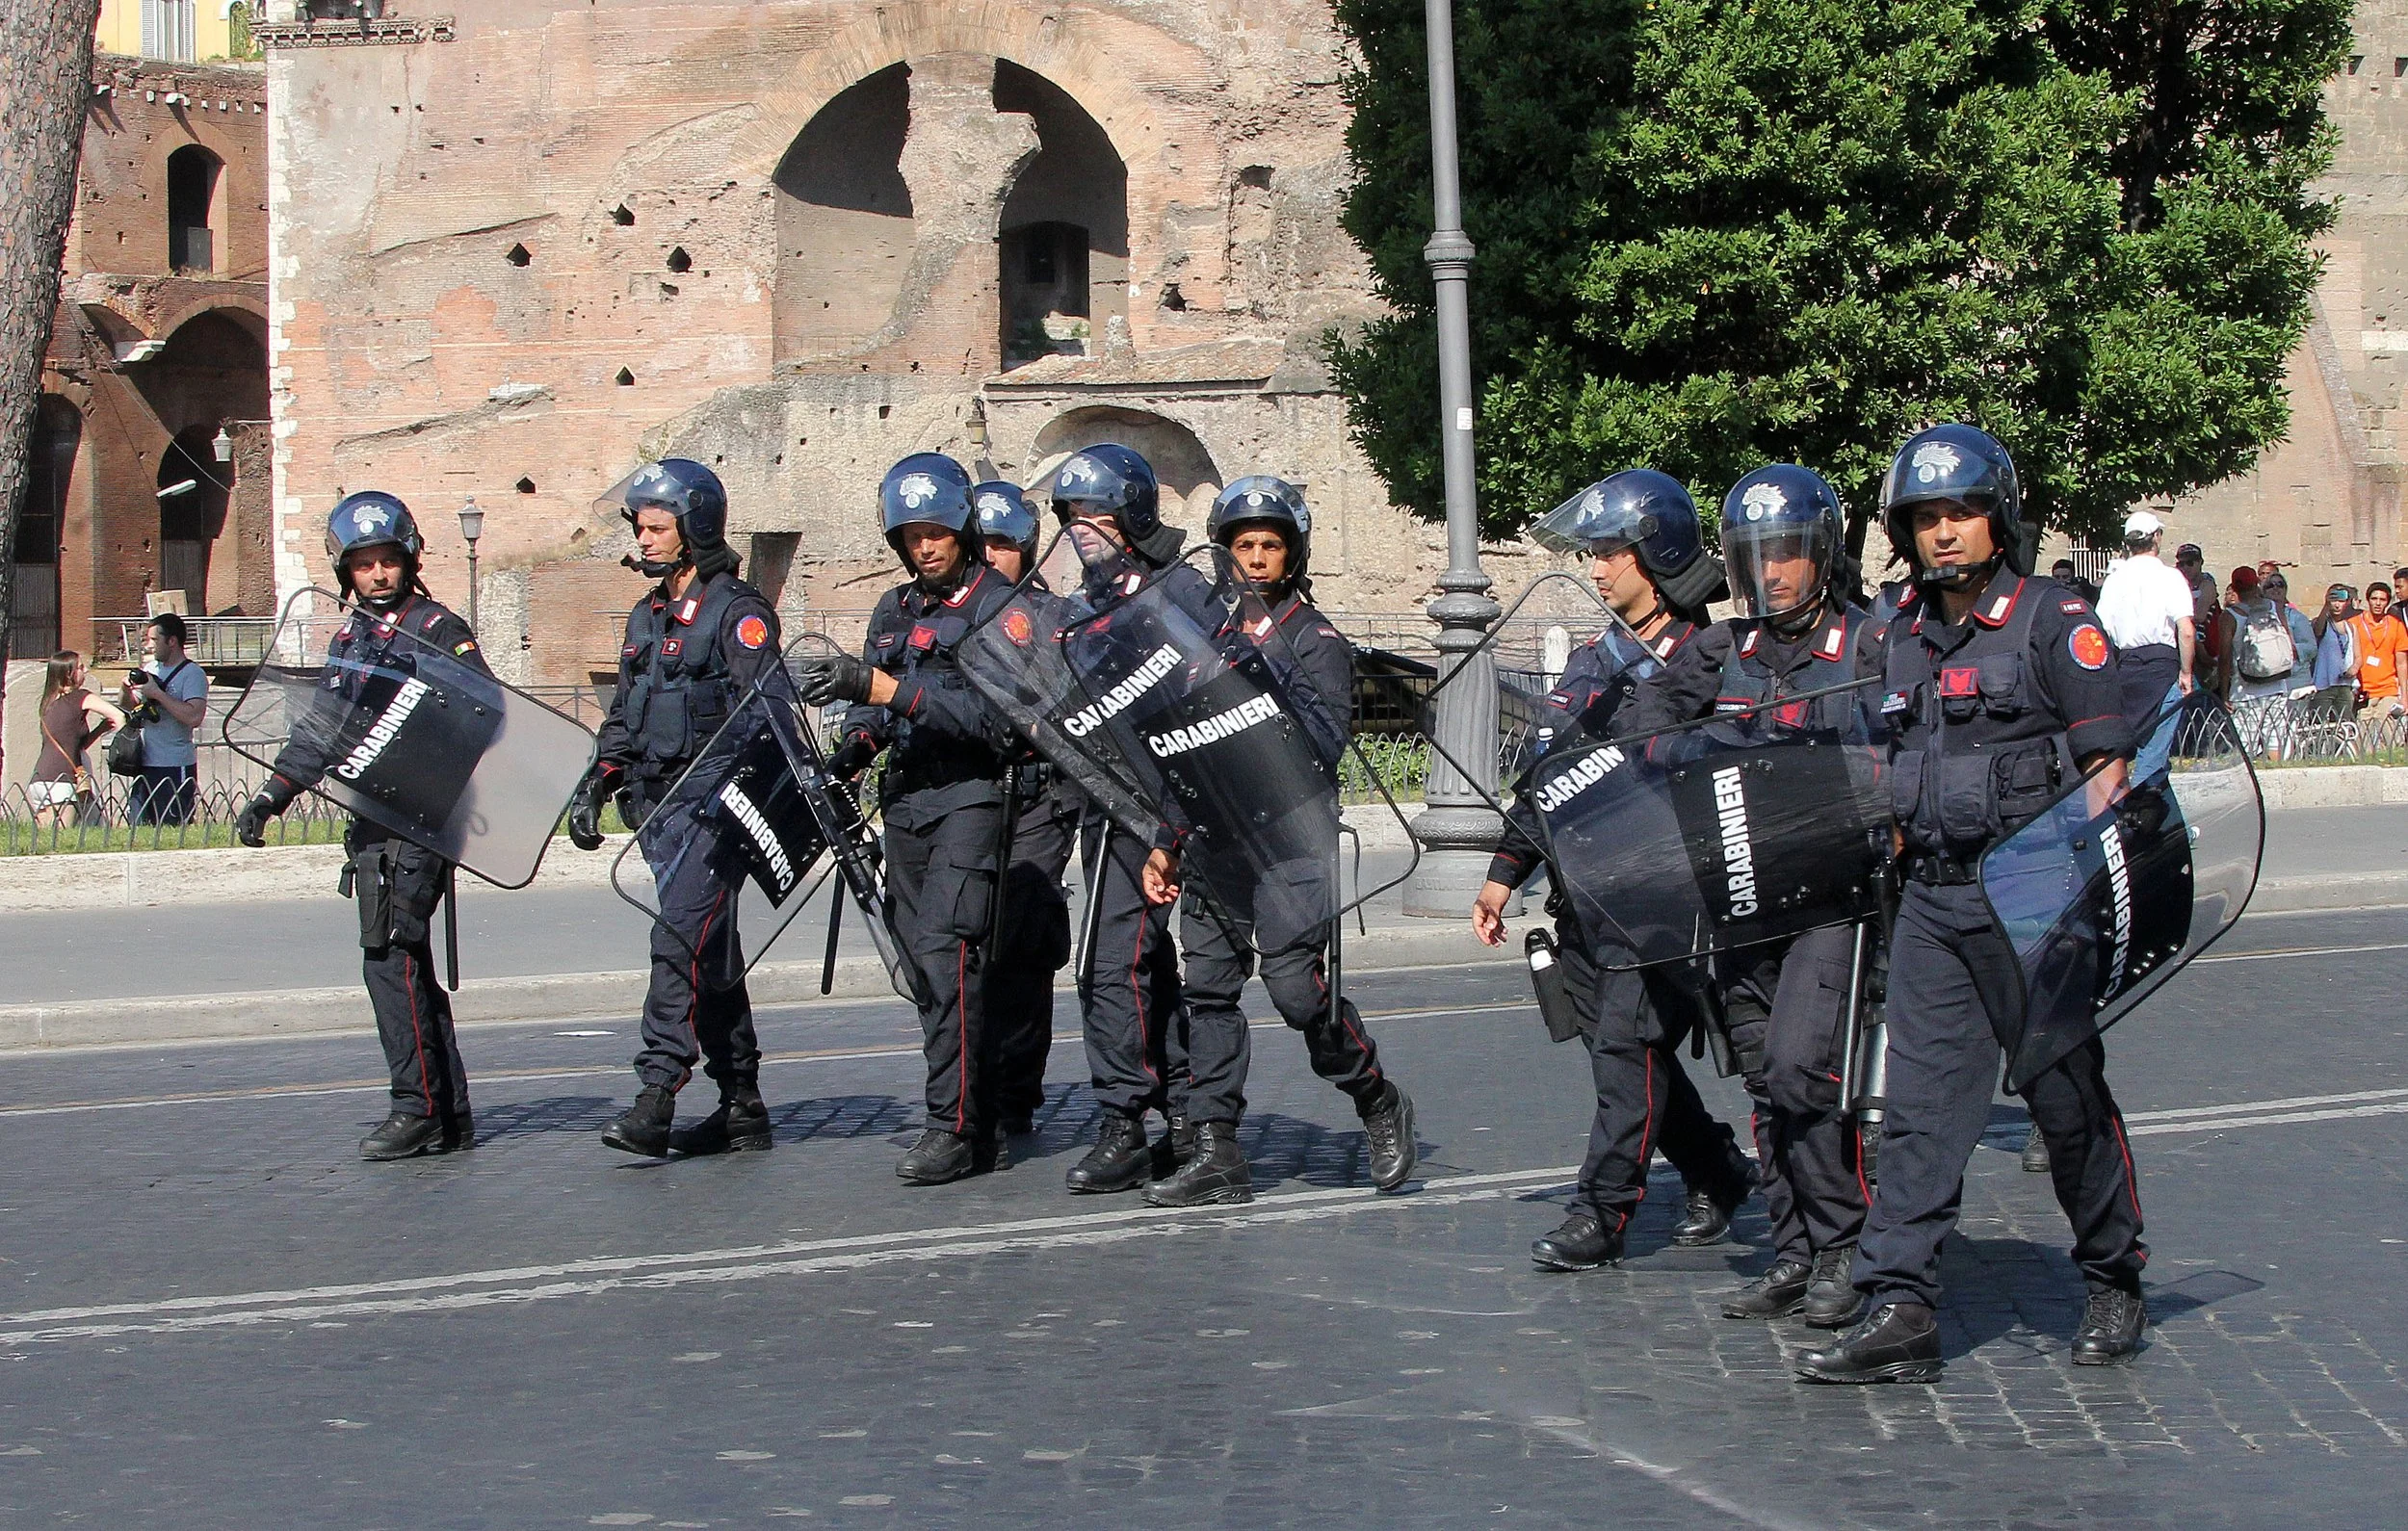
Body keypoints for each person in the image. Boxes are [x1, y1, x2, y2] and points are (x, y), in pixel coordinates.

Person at [1798, 425, 2148, 1384]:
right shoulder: (1896, 635)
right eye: (1924, 517)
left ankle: (2113, 1273)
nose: (1942, 532)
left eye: (1959, 513)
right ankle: (1899, 1307)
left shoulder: (2050, 618)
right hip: (1932, 904)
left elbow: (2105, 765)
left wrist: (2081, 892)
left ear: (1997, 517)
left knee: (2064, 1102)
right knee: (1915, 1113)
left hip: (2033, 902)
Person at [1470, 469, 1756, 1272]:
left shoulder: (1710, 656)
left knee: (1627, 1056)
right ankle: (1721, 1172)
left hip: (1661, 900)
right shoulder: (1600, 655)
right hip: (1583, 897)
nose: (1596, 570)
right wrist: (1504, 872)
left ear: (1655, 555)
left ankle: (1602, 1213)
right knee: (1633, 1053)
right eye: (1592, 555)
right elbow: (1552, 773)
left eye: (1609, 554)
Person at [1626, 464, 1883, 1327]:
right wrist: (1679, 751)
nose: (1770, 574)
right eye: (1753, 556)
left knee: (1805, 1073)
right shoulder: (1719, 649)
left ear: (1821, 555)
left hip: (1830, 901)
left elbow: (1898, 753)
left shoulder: (1869, 645)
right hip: (1739, 895)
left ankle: (1847, 1247)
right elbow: (1646, 725)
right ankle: (1795, 1250)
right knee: (1765, 1088)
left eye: (1786, 555)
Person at [1175, 475, 1417, 1194]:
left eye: (1269, 546)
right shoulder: (1196, 634)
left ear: (1292, 555)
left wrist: (1262, 672)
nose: (1254, 559)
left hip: (1290, 840)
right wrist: (1165, 835)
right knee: (1209, 992)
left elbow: (1324, 741)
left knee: (1295, 991)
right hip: (1214, 841)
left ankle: (1377, 1099)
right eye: (1242, 545)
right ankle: (1217, 1147)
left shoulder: (1316, 639)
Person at [233, 495, 485, 1160]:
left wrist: (419, 759)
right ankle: (449, 1112)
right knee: (405, 962)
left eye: (387, 561)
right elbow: (322, 731)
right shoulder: (351, 638)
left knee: (389, 955)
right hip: (373, 817)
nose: (377, 575)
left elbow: (482, 714)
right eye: (364, 565)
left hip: (423, 815)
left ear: (410, 560)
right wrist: (272, 796)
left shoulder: (436, 628)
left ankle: (417, 1107)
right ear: (346, 573)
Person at [796, 454, 1017, 1184]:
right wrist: (849, 751)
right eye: (911, 535)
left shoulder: (998, 606)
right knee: (925, 971)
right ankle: (978, 1121)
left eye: (937, 532)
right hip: (907, 804)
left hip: (973, 797)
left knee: (951, 957)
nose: (924, 546)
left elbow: (996, 720)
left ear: (964, 529)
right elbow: (870, 708)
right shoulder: (895, 610)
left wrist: (888, 689)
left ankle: (950, 1128)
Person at [568, 459, 783, 1159]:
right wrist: (599, 780)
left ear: (695, 529)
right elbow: (625, 713)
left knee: (676, 944)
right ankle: (742, 1103)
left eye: (659, 527)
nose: (646, 537)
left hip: (714, 814)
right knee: (710, 956)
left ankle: (657, 1093)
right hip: (659, 812)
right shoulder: (646, 613)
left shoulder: (738, 612)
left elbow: (768, 714)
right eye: (641, 525)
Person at [1031, 446, 1204, 1198]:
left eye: (1094, 513)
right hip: (1106, 807)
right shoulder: (1079, 608)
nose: (1080, 529)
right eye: (1070, 517)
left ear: (1132, 512)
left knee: (1111, 965)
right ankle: (1189, 1108)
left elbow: (1207, 693)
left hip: (1168, 808)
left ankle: (1124, 1122)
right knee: (1142, 966)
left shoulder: (1182, 589)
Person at [972, 480, 1078, 1136]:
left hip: (1038, 796)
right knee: (967, 944)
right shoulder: (944, 613)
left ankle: (1015, 1089)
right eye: (978, 542)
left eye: (1002, 545)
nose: (990, 556)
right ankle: (969, 1081)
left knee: (1022, 943)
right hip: (970, 800)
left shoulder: (1050, 617)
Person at [2093, 509, 2194, 783]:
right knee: (2153, 757)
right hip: (2163, 670)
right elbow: (2185, 630)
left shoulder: (2114, 580)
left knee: (2152, 761)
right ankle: (2134, 819)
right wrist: (2186, 674)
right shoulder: (2170, 577)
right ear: (2156, 538)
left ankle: (2171, 825)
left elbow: (2101, 629)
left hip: (2126, 669)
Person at [120, 612, 207, 826]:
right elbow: (129, 706)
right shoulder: (151, 669)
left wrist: (158, 694)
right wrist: (125, 689)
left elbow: (194, 716)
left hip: (174, 763)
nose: (149, 646)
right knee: (139, 827)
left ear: (172, 641)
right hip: (145, 762)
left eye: (154, 640)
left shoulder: (193, 674)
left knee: (171, 826)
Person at [30, 652, 124, 831]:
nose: (86, 670)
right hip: (61, 782)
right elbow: (117, 714)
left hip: (40, 780)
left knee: (53, 840)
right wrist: (126, 746)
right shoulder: (80, 696)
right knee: (65, 840)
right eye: (80, 667)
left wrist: (99, 731)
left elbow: (72, 745)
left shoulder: (48, 702)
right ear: (68, 674)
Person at [2219, 567, 2297, 750]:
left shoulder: (2230, 616)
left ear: (2235, 588)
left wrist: (2224, 693)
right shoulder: (2272, 606)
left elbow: (2224, 657)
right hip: (2277, 684)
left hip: (2244, 689)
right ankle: (2276, 777)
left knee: (2245, 745)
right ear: (2256, 583)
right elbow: (2288, 640)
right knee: (2275, 742)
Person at [2343, 581, 2408, 723]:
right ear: (2368, 600)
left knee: (2389, 737)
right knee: (2363, 739)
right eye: (2374, 599)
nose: (2378, 603)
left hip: (2388, 690)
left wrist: (2404, 696)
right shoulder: (2354, 623)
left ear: (2388, 602)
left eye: (2382, 600)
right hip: (2363, 691)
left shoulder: (2396, 625)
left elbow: (2401, 663)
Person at [2174, 542, 2222, 698]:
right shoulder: (2178, 583)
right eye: (2181, 563)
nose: (2185, 568)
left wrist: (2177, 615)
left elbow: (2200, 616)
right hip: (2186, 647)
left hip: (2205, 648)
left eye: (2190, 563)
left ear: (2200, 562)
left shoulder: (2206, 584)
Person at [2313, 584, 2358, 691]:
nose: (2337, 605)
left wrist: (2354, 668)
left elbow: (2358, 656)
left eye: (2341, 601)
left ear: (2346, 603)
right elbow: (2318, 631)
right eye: (2334, 601)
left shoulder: (2351, 627)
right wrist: (2326, 606)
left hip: (2345, 683)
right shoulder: (2320, 622)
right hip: (2323, 684)